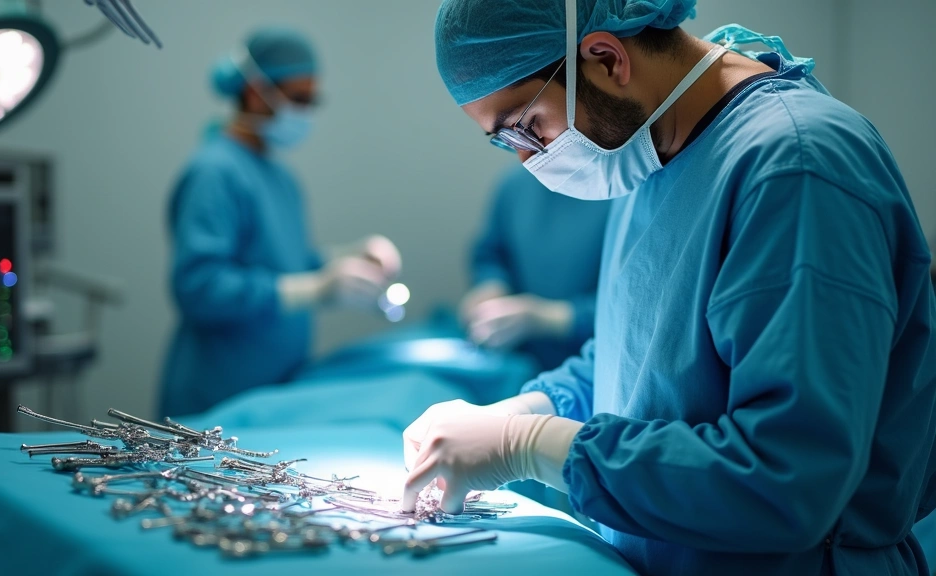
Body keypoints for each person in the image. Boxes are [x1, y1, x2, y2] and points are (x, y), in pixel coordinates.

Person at [401, 1, 936, 574]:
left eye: (527, 127)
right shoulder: (648, 152)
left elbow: (789, 477)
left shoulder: (797, 167)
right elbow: (638, 356)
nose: (531, 158)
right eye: (504, 142)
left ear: (605, 58)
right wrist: (527, 409)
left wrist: (530, 445)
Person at [159, 28, 401, 418]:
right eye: (298, 98)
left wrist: (350, 258)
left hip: (274, 388)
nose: (305, 112)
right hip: (219, 395)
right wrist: (314, 289)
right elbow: (198, 288)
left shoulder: (278, 176)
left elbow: (288, 263)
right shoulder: (213, 172)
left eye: (312, 100)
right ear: (256, 91)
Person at [461, 163, 612, 371]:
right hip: (518, 359)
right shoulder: (516, 184)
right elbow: (491, 254)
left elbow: (639, 309)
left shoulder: (624, 190)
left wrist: (547, 318)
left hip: (597, 365)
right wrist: (491, 286)